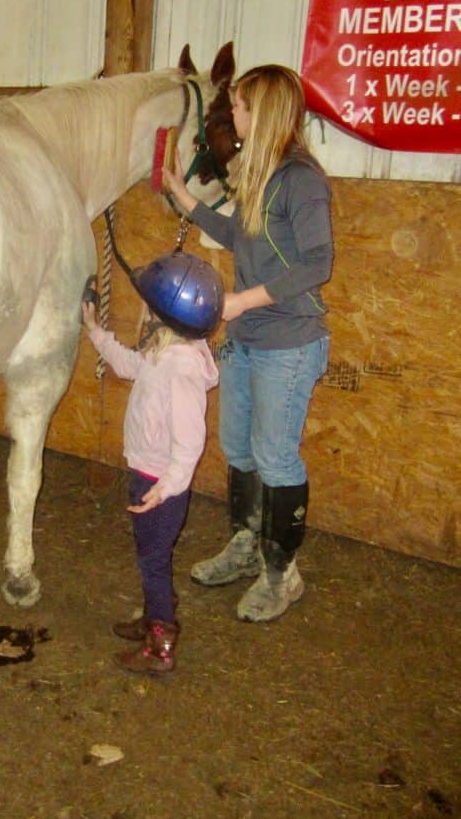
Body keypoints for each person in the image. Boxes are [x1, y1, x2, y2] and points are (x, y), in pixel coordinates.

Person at [162, 64, 333, 623]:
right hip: (248, 338)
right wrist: (185, 199)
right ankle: (244, 546)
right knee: (239, 449)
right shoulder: (258, 176)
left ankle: (282, 574)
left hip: (287, 341)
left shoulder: (301, 180)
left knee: (276, 456)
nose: (231, 114)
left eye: (238, 106)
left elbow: (317, 264)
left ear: (263, 114)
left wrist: (242, 301)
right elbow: (240, 234)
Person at [82, 251, 221, 674]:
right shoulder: (164, 353)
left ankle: (160, 644)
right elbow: (129, 366)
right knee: (150, 552)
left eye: (147, 305)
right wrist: (96, 333)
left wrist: (168, 485)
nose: (142, 309)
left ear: (163, 316)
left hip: (160, 482)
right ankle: (153, 617)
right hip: (149, 472)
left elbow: (190, 440)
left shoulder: (180, 369)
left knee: (153, 558)